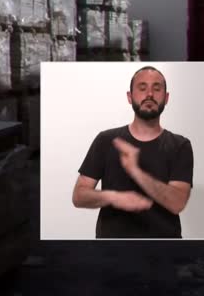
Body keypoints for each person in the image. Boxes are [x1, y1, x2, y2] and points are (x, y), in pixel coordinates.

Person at [71, 66, 194, 238]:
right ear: (130, 97)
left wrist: (136, 172)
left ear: (166, 98)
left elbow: (177, 203)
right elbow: (79, 195)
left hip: (164, 248)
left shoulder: (180, 145)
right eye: (142, 88)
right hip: (111, 248)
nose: (149, 94)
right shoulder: (106, 140)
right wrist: (113, 197)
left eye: (156, 88)